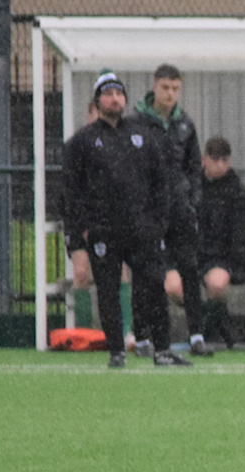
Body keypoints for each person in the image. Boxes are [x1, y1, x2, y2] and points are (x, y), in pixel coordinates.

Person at [60, 71, 189, 368]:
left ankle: (163, 350)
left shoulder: (143, 134)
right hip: (104, 232)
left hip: (142, 230)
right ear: (97, 100)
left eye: (119, 93)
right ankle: (117, 350)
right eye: (108, 93)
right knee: (108, 291)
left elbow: (161, 181)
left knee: (154, 287)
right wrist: (81, 233)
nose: (115, 98)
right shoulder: (82, 142)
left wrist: (159, 222)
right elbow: (72, 192)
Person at [141, 64, 214, 357]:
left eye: (175, 89)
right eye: (166, 88)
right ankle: (149, 336)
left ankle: (196, 335)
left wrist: (192, 202)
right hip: (150, 212)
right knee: (150, 273)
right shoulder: (139, 123)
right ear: (155, 86)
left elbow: (194, 168)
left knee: (189, 269)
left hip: (180, 211)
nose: (170, 94)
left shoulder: (186, 124)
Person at [196, 137, 245, 347]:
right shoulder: (193, 185)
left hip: (221, 258)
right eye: (215, 159)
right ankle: (219, 324)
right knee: (174, 287)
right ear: (204, 160)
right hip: (191, 255)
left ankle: (208, 332)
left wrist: (237, 263)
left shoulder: (235, 188)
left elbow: (238, 233)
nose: (220, 165)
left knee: (217, 284)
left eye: (224, 160)